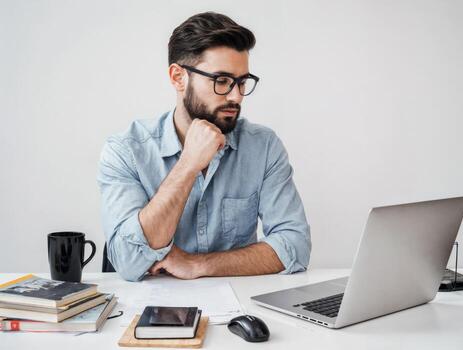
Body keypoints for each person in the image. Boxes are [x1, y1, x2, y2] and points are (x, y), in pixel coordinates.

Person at [97, 12, 311, 282]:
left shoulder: (263, 146)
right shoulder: (125, 151)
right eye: (221, 81)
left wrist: (198, 265)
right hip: (151, 308)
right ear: (178, 78)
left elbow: (295, 245)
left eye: (242, 82)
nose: (236, 96)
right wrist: (188, 165)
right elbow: (128, 261)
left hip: (237, 306)